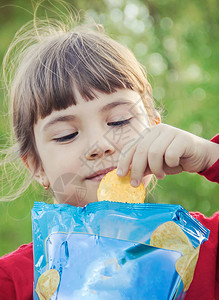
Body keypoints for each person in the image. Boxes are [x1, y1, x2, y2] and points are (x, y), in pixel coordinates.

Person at [0, 13, 218, 300]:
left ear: (154, 127)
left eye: (119, 121)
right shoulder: (13, 282)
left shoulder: (204, 248)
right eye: (66, 134)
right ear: (36, 166)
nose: (100, 145)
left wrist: (211, 156)